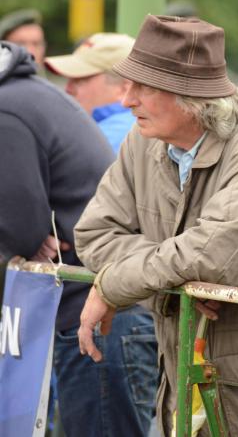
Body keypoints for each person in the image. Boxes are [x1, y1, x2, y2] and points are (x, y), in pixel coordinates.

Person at [73, 15, 238, 437]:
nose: (127, 100)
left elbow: (219, 256)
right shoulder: (144, 137)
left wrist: (114, 284)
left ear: (191, 97)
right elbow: (93, 233)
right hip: (179, 367)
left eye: (143, 86)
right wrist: (180, 283)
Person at [0, 40, 158, 437]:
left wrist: (20, 239)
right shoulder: (22, 98)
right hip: (89, 310)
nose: (69, 86)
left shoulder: (8, 109)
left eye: (81, 78)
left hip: (96, 316)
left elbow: (18, 227)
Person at [44, 32, 136, 153]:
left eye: (81, 79)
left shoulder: (108, 138)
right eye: (69, 78)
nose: (68, 88)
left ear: (124, 89)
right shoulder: (138, 130)